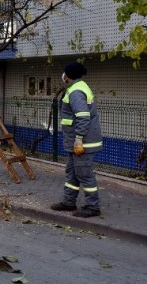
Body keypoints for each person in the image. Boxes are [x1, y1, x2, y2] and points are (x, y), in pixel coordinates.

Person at [50, 62, 103, 218]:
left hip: (82, 142)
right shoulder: (76, 88)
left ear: (68, 75)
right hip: (76, 141)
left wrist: (79, 139)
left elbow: (83, 117)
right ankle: (69, 202)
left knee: (85, 174)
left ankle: (93, 207)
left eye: (64, 73)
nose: (63, 75)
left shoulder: (76, 91)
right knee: (72, 173)